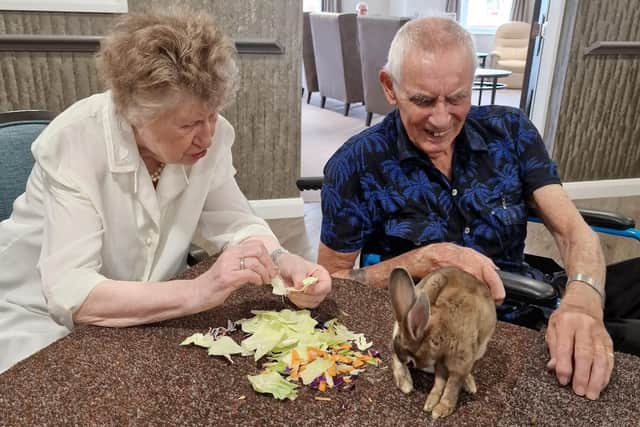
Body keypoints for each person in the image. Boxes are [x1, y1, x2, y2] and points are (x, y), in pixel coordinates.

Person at [318, 17, 639, 401]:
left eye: (456, 98)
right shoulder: (355, 165)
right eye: (422, 100)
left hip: (538, 292)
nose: (440, 119)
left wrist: (584, 301)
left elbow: (572, 231)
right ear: (390, 87)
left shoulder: (511, 130)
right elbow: (332, 281)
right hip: (474, 338)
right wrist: (425, 259)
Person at [0, 11, 331, 373]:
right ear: (135, 114)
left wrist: (285, 261)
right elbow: (72, 293)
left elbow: (235, 222)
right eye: (189, 124)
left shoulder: (209, 138)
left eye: (212, 115)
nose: (207, 136)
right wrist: (200, 290)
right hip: (36, 317)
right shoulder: (74, 143)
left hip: (141, 313)